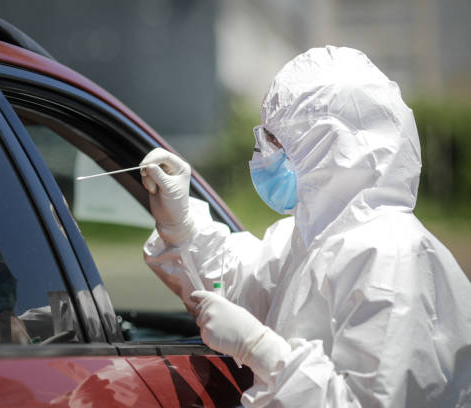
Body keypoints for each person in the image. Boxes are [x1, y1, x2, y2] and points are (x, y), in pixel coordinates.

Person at [139, 46, 471, 407]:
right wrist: (183, 225)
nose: (263, 155)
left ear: (326, 144)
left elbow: (371, 403)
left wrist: (260, 350)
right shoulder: (309, 239)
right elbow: (235, 282)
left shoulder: (390, 255)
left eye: (277, 141)